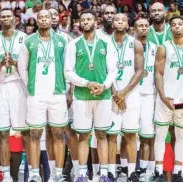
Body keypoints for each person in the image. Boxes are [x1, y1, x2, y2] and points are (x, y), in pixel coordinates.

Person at [64, 9, 117, 182]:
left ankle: (102, 173)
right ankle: (81, 173)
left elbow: (112, 70)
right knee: (83, 136)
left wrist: (104, 86)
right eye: (83, 20)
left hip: (103, 96)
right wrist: (86, 83)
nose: (85, 22)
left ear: (96, 22)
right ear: (79, 23)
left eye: (89, 19)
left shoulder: (106, 43)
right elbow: (68, 72)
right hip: (81, 95)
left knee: (102, 135)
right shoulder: (73, 44)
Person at [17, 9, 68, 182]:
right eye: (41, 17)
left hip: (57, 94)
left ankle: (58, 174)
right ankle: (34, 174)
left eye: (47, 17)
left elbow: (68, 68)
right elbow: (22, 67)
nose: (44, 20)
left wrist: (66, 89)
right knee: (35, 135)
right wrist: (30, 85)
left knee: (58, 134)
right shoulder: (28, 41)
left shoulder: (63, 40)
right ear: (37, 21)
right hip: (36, 95)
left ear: (53, 19)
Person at [153, 15, 183, 182]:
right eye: (173, 25)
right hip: (166, 98)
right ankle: (158, 171)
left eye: (180, 24)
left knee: (181, 135)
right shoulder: (163, 47)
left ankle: (178, 171)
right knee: (160, 134)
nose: (177, 27)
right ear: (170, 28)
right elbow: (158, 73)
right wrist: (162, 95)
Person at [0, 8, 28, 182]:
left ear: (15, 19)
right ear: (0, 20)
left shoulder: (25, 39)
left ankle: (32, 172)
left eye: (8, 16)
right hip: (0, 86)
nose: (5, 19)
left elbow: (29, 67)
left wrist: (15, 63)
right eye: (3, 16)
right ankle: (5, 174)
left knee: (25, 132)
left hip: (19, 85)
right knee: (2, 133)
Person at [107, 13, 144, 182]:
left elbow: (139, 71)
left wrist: (124, 93)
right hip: (111, 93)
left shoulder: (136, 44)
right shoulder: (105, 43)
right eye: (116, 19)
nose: (120, 22)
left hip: (131, 94)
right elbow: (104, 71)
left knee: (130, 134)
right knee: (112, 135)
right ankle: (112, 172)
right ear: (112, 23)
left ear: (128, 23)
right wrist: (116, 94)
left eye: (123, 19)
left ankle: (131, 172)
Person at [48, 7, 78, 181]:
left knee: (69, 131)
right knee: (51, 133)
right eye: (48, 15)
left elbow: (74, 67)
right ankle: (54, 173)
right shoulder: (36, 39)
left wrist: (71, 91)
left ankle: (75, 170)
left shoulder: (67, 39)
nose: (52, 18)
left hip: (64, 90)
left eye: (54, 15)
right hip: (46, 92)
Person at [134, 18, 159, 182]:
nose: (143, 28)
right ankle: (126, 170)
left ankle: (147, 170)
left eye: (145, 26)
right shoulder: (129, 46)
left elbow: (159, 74)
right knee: (127, 135)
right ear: (134, 29)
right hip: (132, 94)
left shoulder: (156, 48)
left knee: (148, 135)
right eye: (140, 26)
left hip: (149, 96)